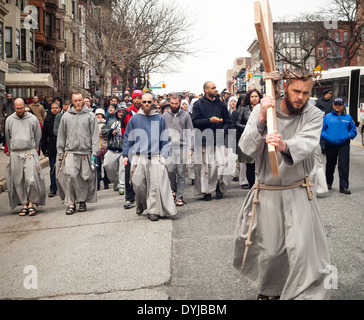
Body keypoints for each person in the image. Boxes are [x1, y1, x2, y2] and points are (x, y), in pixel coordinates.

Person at [233, 67, 331, 300]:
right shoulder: (262, 109)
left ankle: (304, 295)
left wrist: (285, 145)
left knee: (302, 248)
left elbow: (307, 143)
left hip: (298, 189)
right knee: (272, 249)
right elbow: (246, 151)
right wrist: (261, 121)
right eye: (296, 91)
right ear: (285, 86)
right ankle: (270, 291)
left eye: (306, 93)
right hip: (267, 191)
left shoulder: (314, 114)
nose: (301, 98)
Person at [123, 93, 176, 222]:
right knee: (138, 183)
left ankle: (153, 211)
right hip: (139, 156)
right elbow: (127, 138)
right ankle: (140, 202)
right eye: (144, 102)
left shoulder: (159, 118)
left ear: (153, 102)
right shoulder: (134, 119)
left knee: (154, 185)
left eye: (149, 102)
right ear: (141, 102)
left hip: (155, 156)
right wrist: (125, 154)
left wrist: (163, 155)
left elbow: (164, 139)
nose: (146, 104)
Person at [56, 93, 99, 215]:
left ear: (83, 101)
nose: (78, 103)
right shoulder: (66, 116)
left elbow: (95, 135)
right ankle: (70, 203)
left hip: (86, 152)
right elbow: (61, 135)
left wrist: (95, 152)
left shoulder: (91, 116)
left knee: (85, 177)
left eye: (80, 100)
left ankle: (81, 201)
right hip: (70, 152)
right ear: (72, 102)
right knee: (70, 176)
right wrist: (60, 152)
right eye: (75, 101)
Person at [5, 98, 46, 216]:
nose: (20, 110)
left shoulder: (32, 119)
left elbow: (38, 135)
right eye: (17, 108)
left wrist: (34, 149)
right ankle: (24, 203)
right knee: (18, 180)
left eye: (21, 108)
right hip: (15, 153)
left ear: (25, 106)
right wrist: (12, 150)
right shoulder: (9, 120)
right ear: (14, 107)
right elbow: (8, 137)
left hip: (29, 152)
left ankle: (31, 203)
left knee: (31, 179)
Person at [192, 81, 232, 201]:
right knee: (208, 168)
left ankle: (219, 186)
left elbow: (228, 122)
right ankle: (207, 191)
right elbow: (195, 122)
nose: (215, 90)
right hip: (205, 140)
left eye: (215, 87)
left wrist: (223, 130)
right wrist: (210, 120)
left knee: (222, 165)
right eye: (213, 88)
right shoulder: (198, 104)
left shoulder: (221, 104)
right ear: (206, 90)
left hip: (219, 139)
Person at [321, 97, 357, 195]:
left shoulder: (348, 118)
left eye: (339, 104)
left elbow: (353, 130)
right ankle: (328, 183)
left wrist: (349, 136)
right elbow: (322, 130)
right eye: (336, 104)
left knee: (344, 166)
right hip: (330, 144)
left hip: (344, 145)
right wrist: (326, 138)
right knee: (330, 165)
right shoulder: (327, 117)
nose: (337, 106)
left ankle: (344, 186)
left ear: (343, 106)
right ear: (333, 105)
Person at [163, 94, 194, 206]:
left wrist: (191, 148)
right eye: (172, 103)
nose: (174, 105)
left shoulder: (185, 115)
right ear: (169, 103)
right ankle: (173, 189)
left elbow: (190, 132)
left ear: (180, 103)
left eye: (176, 104)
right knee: (170, 170)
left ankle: (179, 197)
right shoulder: (165, 115)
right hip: (169, 146)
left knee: (181, 173)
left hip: (182, 146)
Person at [231, 89, 263, 189]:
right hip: (248, 138)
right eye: (252, 96)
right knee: (249, 164)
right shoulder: (243, 109)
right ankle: (252, 185)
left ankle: (261, 183)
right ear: (249, 98)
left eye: (256, 96)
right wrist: (249, 128)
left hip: (261, 139)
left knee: (261, 163)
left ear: (259, 97)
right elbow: (237, 123)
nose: (254, 98)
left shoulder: (264, 108)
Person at [120, 90, 143, 209]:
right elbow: (124, 131)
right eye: (135, 98)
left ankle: (144, 197)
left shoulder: (146, 111)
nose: (137, 100)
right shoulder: (127, 113)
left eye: (139, 98)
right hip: (131, 147)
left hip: (144, 147)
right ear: (132, 99)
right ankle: (129, 198)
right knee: (129, 173)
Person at [102, 106, 125, 195]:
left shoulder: (128, 122)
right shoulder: (112, 122)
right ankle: (116, 181)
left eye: (123, 112)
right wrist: (110, 131)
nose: (121, 114)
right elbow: (103, 131)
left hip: (124, 149)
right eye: (119, 112)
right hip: (112, 148)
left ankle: (122, 186)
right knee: (107, 165)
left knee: (122, 168)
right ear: (116, 113)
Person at [41, 101, 61, 198]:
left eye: (56, 108)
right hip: (52, 147)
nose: (54, 110)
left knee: (62, 168)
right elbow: (44, 135)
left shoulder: (63, 118)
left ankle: (63, 187)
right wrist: (43, 148)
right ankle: (53, 188)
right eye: (52, 108)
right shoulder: (47, 120)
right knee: (53, 168)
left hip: (62, 146)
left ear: (59, 109)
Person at [95, 108, 110, 190]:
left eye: (100, 114)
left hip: (105, 146)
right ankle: (97, 184)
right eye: (97, 114)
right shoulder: (93, 123)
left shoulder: (106, 124)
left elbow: (109, 133)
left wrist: (104, 135)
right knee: (97, 166)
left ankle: (106, 183)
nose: (98, 116)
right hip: (96, 147)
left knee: (106, 166)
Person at [316, 89, 334, 154]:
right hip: (322, 120)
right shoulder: (319, 101)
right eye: (330, 93)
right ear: (325, 94)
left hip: (331, 121)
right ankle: (323, 147)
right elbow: (316, 111)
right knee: (323, 134)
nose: (331, 95)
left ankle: (330, 147)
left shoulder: (332, 102)